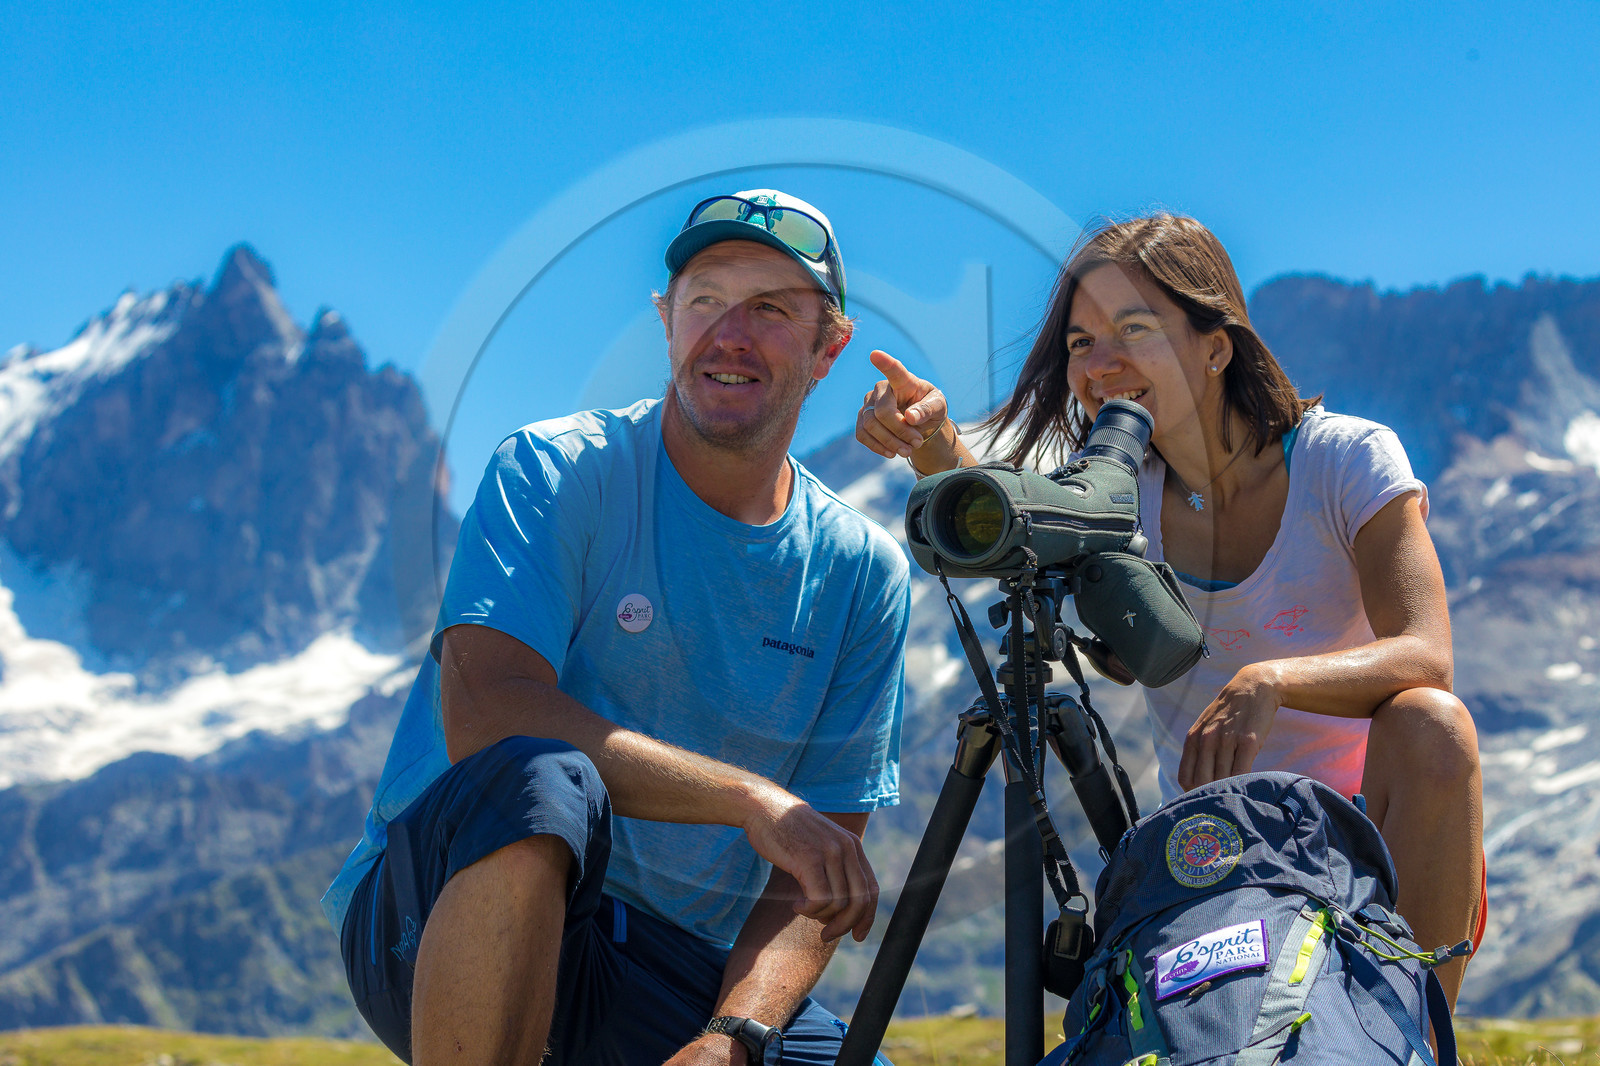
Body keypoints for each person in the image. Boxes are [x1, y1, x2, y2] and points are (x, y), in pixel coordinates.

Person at [323, 189, 911, 1066]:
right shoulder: (557, 470)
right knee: (541, 777)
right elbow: (487, 713)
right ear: (666, 320)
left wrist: (733, 1034)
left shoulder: (863, 572)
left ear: (830, 346)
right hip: (426, 913)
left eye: (773, 310)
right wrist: (752, 800)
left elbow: (814, 876)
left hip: (666, 965)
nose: (731, 334)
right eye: (705, 301)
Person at [854, 213, 1483, 1006]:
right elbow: (1021, 524)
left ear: (1216, 346)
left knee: (1433, 722)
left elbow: (1428, 655)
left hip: (1373, 832)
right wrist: (935, 444)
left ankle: (1418, 1039)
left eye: (1135, 329)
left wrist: (1271, 681)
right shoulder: (1119, 495)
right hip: (1218, 849)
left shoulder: (1344, 459)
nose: (1100, 364)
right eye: (1081, 343)